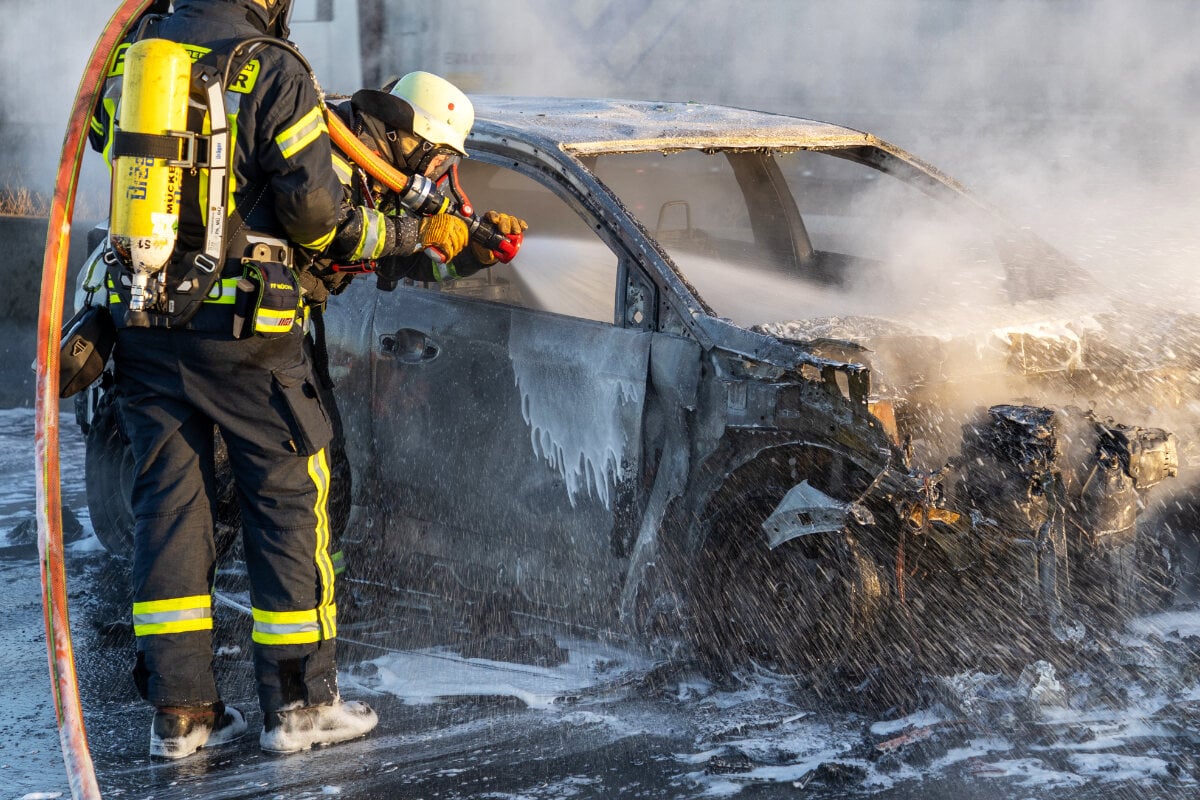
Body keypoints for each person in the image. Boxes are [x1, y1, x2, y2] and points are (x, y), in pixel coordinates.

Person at [86, 0, 470, 759]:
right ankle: (299, 708)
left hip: (147, 327)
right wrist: (411, 233)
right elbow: (321, 220)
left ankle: (182, 715)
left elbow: (106, 142)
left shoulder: (137, 56)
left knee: (171, 511)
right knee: (290, 506)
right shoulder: (272, 68)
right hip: (247, 338)